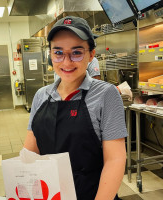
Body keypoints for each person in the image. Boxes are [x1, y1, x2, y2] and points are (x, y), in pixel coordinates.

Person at [23, 16, 127, 200]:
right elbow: (30, 152)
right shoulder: (41, 95)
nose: (66, 62)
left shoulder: (106, 94)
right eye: (58, 53)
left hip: (93, 194)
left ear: (91, 54)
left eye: (76, 52)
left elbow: (115, 159)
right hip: (51, 194)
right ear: (51, 55)